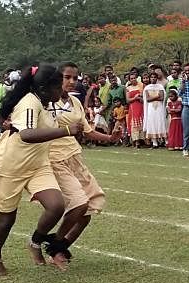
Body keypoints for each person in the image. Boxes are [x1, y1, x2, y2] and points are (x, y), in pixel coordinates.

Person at [0, 64, 73, 277]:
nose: (62, 89)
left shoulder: (47, 102)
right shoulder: (29, 102)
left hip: (37, 165)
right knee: (6, 221)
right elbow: (26, 134)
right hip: (11, 166)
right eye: (58, 86)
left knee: (56, 206)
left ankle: (35, 242)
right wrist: (66, 131)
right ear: (45, 88)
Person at [46, 62, 124, 270]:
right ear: (57, 78)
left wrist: (110, 137)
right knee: (79, 204)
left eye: (75, 78)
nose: (72, 82)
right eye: (67, 77)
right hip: (54, 159)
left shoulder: (75, 102)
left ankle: (60, 248)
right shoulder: (44, 103)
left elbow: (87, 131)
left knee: (87, 213)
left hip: (75, 158)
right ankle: (50, 245)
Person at [142, 72, 168, 148]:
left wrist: (152, 98)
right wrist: (157, 96)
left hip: (159, 107)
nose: (153, 78)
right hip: (150, 108)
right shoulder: (147, 88)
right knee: (152, 122)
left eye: (154, 77)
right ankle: (154, 142)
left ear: (157, 78)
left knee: (160, 122)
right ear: (150, 78)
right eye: (152, 77)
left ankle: (165, 141)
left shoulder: (160, 87)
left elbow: (162, 98)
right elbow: (148, 99)